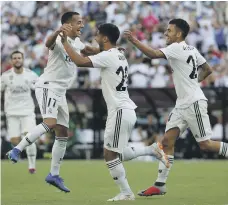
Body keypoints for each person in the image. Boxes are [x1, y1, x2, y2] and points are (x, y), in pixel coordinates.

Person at [59, 23, 169, 201]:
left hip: (119, 110)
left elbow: (79, 62)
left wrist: (65, 42)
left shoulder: (109, 55)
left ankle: (126, 193)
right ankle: (151, 150)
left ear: (105, 38)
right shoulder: (118, 53)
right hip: (124, 110)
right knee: (118, 153)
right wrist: (91, 50)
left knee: (109, 154)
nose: (95, 37)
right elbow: (101, 52)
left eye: (97, 35)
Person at [124, 18, 228, 197]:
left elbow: (154, 54)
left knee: (205, 145)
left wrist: (134, 41)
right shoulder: (192, 49)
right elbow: (208, 69)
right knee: (166, 143)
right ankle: (159, 185)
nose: (166, 33)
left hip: (194, 102)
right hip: (182, 104)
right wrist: (193, 82)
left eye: (169, 31)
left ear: (178, 34)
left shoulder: (176, 47)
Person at [7, 11, 100, 193]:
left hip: (61, 91)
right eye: (79, 22)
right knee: (50, 122)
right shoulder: (58, 39)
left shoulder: (77, 42)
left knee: (63, 132)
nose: (82, 25)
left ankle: (53, 174)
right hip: (48, 86)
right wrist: (57, 31)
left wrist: (111, 50)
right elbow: (47, 43)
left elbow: (90, 51)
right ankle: (17, 149)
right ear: (68, 24)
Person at [1, 50, 38, 174]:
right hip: (11, 113)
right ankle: (17, 152)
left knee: (29, 137)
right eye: (15, 58)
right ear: (11, 61)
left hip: (27, 111)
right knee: (14, 140)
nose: (17, 60)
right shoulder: (5, 76)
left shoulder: (30, 75)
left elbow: (39, 87)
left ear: (23, 60)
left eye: (19, 58)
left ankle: (32, 166)